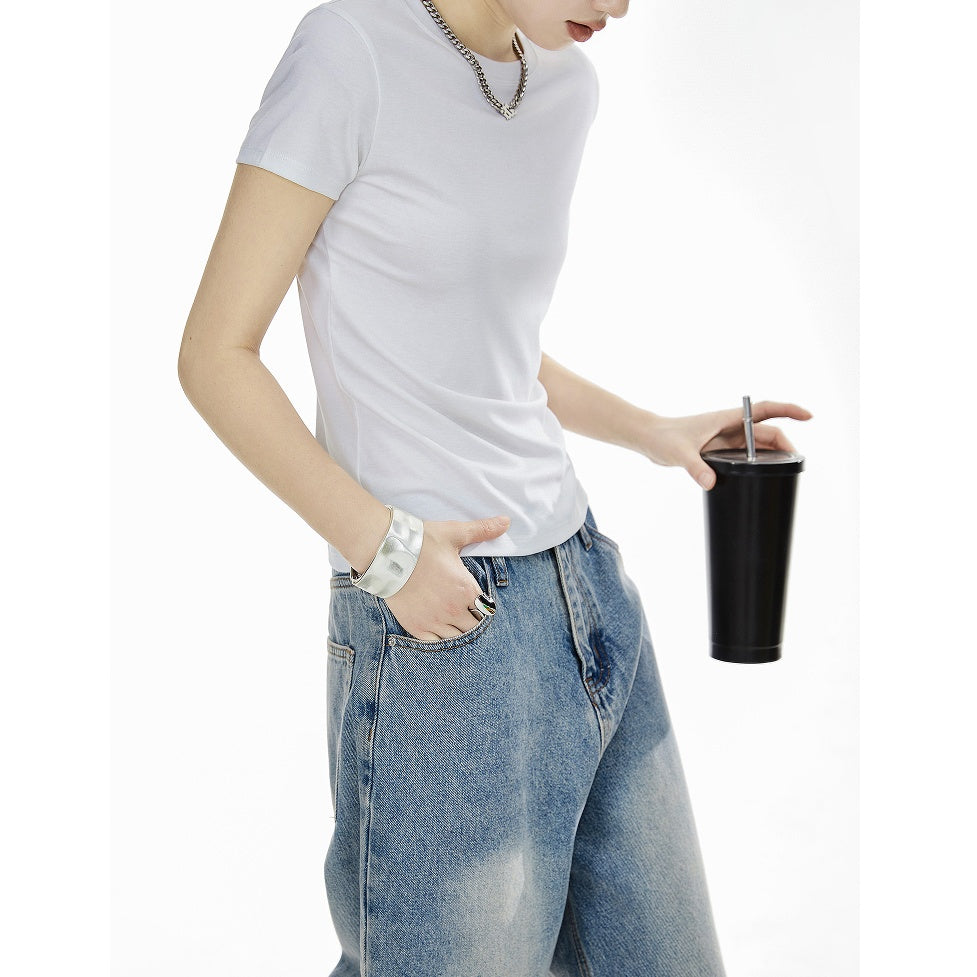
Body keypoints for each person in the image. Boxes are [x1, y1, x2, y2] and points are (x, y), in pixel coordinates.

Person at [178, 1, 811, 974]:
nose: (620, 5)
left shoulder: (565, 86)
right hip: (445, 625)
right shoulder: (351, 50)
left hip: (586, 590)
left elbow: (487, 343)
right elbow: (215, 354)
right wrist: (387, 550)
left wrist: (650, 429)